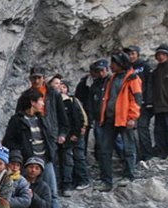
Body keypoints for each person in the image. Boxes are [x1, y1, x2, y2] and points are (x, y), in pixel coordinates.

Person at [19, 66, 68, 208]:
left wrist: (62, 134)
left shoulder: (53, 94)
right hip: (30, 151)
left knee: (51, 190)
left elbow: (62, 117)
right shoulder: (25, 97)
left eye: (39, 78)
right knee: (25, 190)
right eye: (33, 78)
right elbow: (18, 121)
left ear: (44, 78)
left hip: (48, 146)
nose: (36, 81)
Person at [96, 52, 142, 191]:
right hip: (110, 119)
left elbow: (137, 99)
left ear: (121, 63)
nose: (111, 66)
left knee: (128, 148)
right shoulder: (113, 78)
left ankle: (128, 176)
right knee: (104, 150)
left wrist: (132, 117)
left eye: (113, 63)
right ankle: (106, 181)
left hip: (124, 119)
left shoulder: (133, 78)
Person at [49, 75, 89, 195]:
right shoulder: (49, 100)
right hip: (55, 135)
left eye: (62, 86)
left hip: (68, 135)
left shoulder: (70, 100)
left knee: (71, 159)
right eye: (57, 84)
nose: (60, 88)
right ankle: (57, 185)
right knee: (57, 161)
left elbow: (79, 117)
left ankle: (69, 184)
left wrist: (77, 132)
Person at [124, 45, 155, 161]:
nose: (131, 56)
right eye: (129, 54)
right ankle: (136, 155)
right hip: (130, 104)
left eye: (133, 53)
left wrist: (149, 101)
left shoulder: (145, 66)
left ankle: (147, 154)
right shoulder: (126, 68)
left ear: (137, 54)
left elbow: (150, 84)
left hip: (143, 103)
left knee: (142, 128)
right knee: (131, 130)